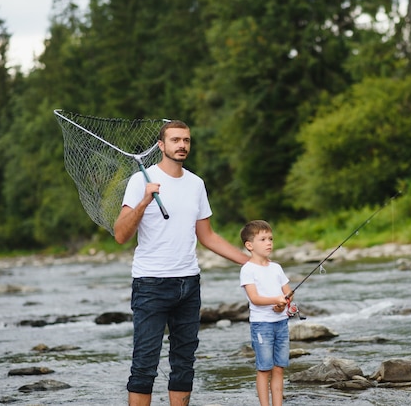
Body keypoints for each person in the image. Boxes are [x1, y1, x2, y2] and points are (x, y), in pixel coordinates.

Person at [114, 120, 250, 406]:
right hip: (151, 284)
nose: (182, 145)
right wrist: (144, 202)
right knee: (144, 363)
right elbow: (121, 235)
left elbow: (208, 236)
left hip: (189, 284)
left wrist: (252, 262)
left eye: (186, 140)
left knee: (184, 363)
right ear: (161, 146)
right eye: (175, 140)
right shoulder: (141, 180)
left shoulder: (196, 183)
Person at [239, 220, 292, 406]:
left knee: (279, 368)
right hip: (262, 326)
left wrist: (283, 304)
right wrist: (275, 300)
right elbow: (254, 298)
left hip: (282, 323)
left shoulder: (276, 268)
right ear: (249, 245)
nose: (269, 242)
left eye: (270, 238)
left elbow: (287, 293)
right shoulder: (248, 270)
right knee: (264, 369)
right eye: (263, 239)